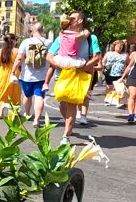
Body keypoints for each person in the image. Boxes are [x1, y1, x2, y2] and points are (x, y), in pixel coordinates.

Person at [46, 12, 101, 144]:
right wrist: (60, 66)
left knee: (71, 103)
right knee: (62, 105)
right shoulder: (62, 37)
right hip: (63, 75)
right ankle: (69, 123)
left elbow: (96, 57)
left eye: (73, 18)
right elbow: (49, 56)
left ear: (80, 20)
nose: (70, 20)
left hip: (80, 75)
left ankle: (66, 135)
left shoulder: (91, 38)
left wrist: (82, 67)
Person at [10, 23, 52, 128]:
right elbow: (52, 59)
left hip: (26, 76)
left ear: (32, 31)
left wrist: (13, 71)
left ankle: (28, 113)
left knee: (27, 96)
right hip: (42, 76)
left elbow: (19, 58)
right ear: (43, 30)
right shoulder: (48, 42)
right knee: (39, 97)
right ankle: (37, 120)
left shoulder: (26, 42)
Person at [42, 16, 90, 92]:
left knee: (51, 66)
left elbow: (63, 30)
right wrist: (85, 29)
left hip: (61, 59)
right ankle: (88, 90)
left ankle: (46, 83)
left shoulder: (61, 34)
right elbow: (86, 34)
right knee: (89, 67)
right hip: (71, 60)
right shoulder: (76, 36)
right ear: (71, 27)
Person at [0, 33, 21, 118]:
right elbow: (20, 62)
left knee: (2, 91)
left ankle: (1, 113)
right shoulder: (17, 51)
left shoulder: (1, 51)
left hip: (2, 73)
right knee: (14, 92)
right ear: (13, 41)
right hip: (14, 73)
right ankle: (15, 111)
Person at [102, 40, 128, 108]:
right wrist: (105, 66)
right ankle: (108, 100)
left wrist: (126, 73)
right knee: (109, 87)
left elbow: (128, 64)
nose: (120, 47)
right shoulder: (109, 53)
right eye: (118, 45)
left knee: (120, 88)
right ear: (114, 46)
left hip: (120, 74)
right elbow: (103, 61)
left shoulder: (125, 55)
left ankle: (119, 102)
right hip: (110, 73)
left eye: (121, 46)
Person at [117, 48, 136, 122]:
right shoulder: (135, 55)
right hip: (133, 76)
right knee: (133, 95)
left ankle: (135, 114)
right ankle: (131, 114)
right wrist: (122, 77)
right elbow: (129, 66)